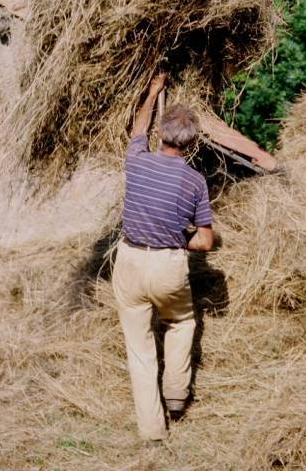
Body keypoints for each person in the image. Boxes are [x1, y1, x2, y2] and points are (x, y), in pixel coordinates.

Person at [112, 74, 214, 444]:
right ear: (192, 143)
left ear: (161, 135)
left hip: (129, 261)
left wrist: (152, 91)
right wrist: (182, 242)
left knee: (139, 349)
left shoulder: (137, 160)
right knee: (182, 322)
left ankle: (153, 434)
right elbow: (205, 240)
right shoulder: (195, 182)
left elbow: (138, 128)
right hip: (168, 265)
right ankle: (175, 395)